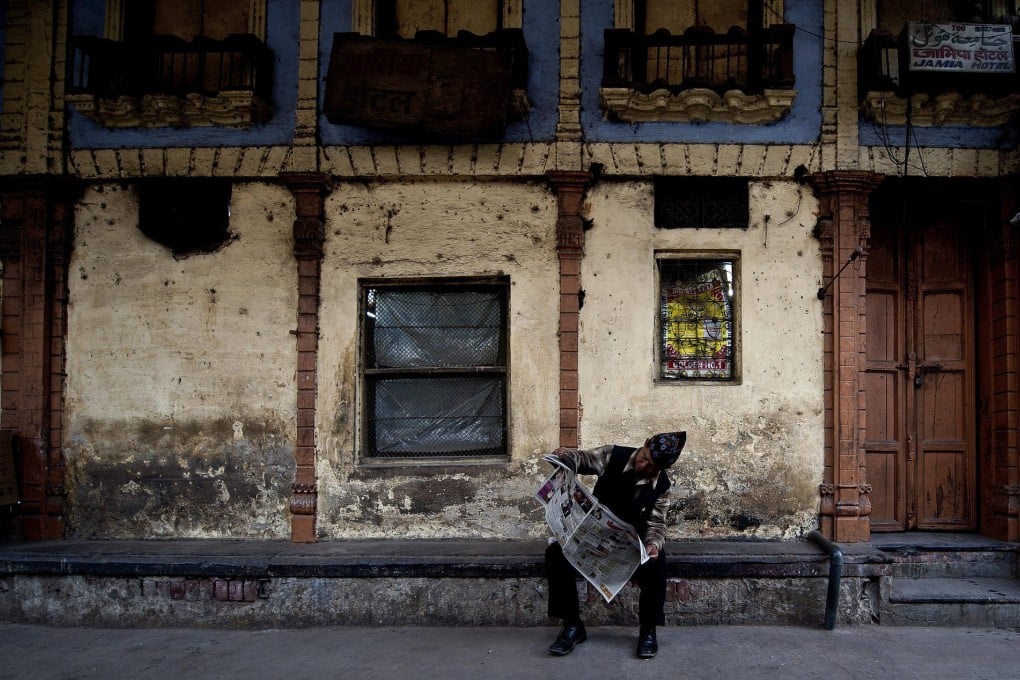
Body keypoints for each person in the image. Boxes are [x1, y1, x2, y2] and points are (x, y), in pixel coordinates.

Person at [544, 431, 686, 659]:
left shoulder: (662, 485)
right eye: (645, 458)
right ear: (645, 444)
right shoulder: (614, 455)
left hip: (627, 544)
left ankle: (648, 630)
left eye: (653, 467)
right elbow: (584, 459)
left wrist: (653, 544)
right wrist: (565, 457)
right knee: (555, 554)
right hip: (593, 535)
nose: (645, 467)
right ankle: (572, 625)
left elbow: (657, 522)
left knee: (657, 563)